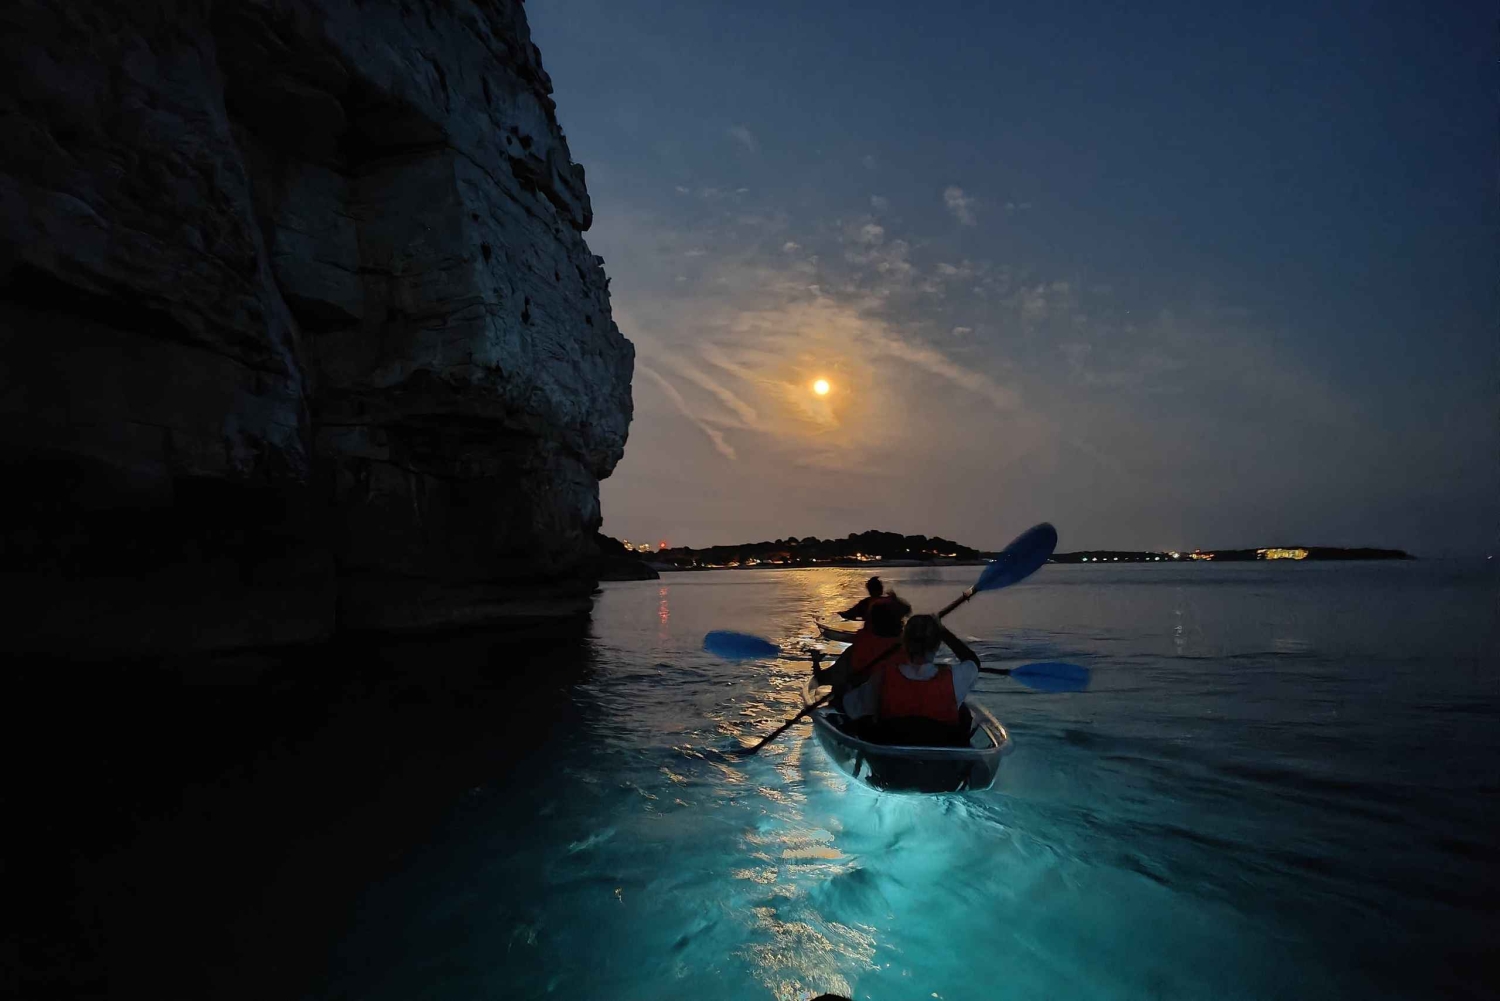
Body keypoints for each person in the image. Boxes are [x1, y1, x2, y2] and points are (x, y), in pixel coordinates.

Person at [842, 613, 981, 746]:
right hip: (941, 750)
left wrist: (848, 687)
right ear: (938, 645)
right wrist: (944, 632)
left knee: (864, 720)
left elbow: (850, 707)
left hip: (893, 751)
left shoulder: (883, 677)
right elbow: (973, 661)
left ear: (904, 644)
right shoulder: (955, 677)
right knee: (963, 711)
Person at [813, 591, 910, 710]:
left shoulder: (856, 651)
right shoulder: (911, 651)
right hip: (897, 710)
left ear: (871, 623)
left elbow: (824, 679)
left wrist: (815, 661)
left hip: (862, 714)